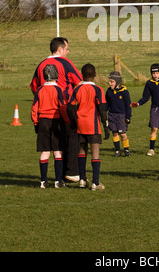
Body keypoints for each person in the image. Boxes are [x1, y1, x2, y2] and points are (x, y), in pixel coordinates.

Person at [30, 37, 82, 183]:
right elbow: (78, 82)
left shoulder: (41, 65)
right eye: (66, 49)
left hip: (44, 113)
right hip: (64, 107)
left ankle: (54, 178)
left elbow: (34, 86)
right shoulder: (65, 63)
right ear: (60, 49)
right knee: (72, 137)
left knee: (50, 147)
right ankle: (71, 172)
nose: (68, 51)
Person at [67, 63, 109, 191]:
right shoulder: (98, 90)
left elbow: (70, 107)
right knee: (95, 152)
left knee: (82, 151)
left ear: (82, 75)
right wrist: (105, 126)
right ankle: (95, 182)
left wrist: (74, 122)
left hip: (81, 124)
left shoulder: (77, 89)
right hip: (93, 125)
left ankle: (82, 179)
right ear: (95, 75)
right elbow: (102, 108)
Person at [31, 64, 70, 188]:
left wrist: (36, 122)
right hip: (56, 121)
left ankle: (43, 181)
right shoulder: (59, 90)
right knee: (58, 152)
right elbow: (63, 107)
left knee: (45, 152)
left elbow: (34, 109)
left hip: (42, 122)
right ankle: (58, 181)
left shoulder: (39, 90)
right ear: (56, 75)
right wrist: (67, 121)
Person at [106, 71, 132, 157]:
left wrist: (128, 117)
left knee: (122, 133)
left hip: (121, 115)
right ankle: (117, 150)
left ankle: (126, 149)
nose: (110, 83)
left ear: (117, 82)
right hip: (111, 115)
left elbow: (128, 106)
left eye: (112, 82)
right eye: (109, 81)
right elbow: (107, 104)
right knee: (114, 133)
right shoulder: (109, 91)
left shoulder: (124, 92)